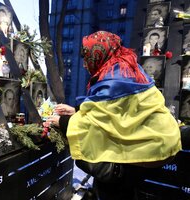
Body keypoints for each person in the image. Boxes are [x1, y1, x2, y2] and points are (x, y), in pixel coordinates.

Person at [44, 31, 181, 199]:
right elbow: (116, 112)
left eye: (88, 58)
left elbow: (97, 121)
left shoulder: (114, 78)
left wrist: (63, 121)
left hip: (146, 150)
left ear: (99, 55)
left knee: (115, 190)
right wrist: (77, 111)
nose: (85, 65)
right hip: (157, 142)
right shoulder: (124, 66)